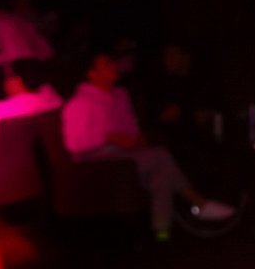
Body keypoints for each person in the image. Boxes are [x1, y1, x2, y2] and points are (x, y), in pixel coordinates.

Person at [62, 52, 235, 239]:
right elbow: (74, 144)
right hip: (96, 163)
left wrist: (136, 140)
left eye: (112, 62)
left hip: (125, 156)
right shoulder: (80, 103)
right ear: (92, 73)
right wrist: (110, 138)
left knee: (161, 175)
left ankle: (162, 233)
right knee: (160, 156)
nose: (113, 67)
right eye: (106, 65)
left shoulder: (120, 96)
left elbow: (130, 130)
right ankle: (199, 203)